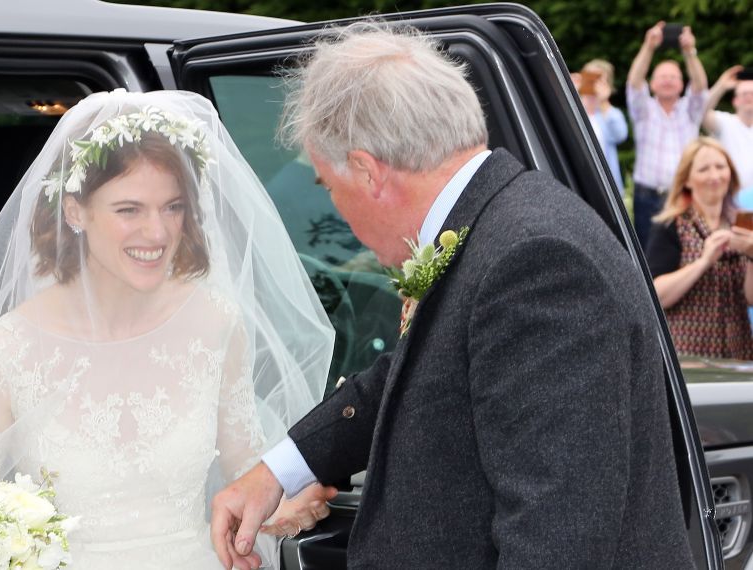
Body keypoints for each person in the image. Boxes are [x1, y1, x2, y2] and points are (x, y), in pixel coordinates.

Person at [211, 23, 694, 570]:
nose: (337, 211)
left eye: (328, 186)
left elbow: (557, 539)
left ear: (368, 170)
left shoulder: (535, 261)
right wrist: (277, 471)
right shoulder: (495, 224)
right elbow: (418, 368)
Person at [0, 89, 338, 569]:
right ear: (75, 211)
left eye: (172, 207)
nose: (157, 233)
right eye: (129, 210)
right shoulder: (6, 349)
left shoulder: (214, 323)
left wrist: (282, 502)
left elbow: (244, 471)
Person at [646, 137, 753, 359]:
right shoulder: (672, 225)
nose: (714, 176)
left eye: (720, 167)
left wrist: (751, 254)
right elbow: (656, 296)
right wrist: (703, 261)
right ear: (687, 180)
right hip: (688, 357)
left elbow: (751, 299)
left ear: (730, 173)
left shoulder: (744, 222)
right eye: (704, 169)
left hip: (739, 355)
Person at [626, 21, 708, 248]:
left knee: (688, 249)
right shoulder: (644, 111)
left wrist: (689, 52)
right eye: (662, 76)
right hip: (648, 196)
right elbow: (633, 83)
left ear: (682, 84)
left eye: (673, 76)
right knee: (648, 253)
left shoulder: (690, 111)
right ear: (652, 84)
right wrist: (648, 46)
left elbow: (701, 87)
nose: (668, 80)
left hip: (685, 194)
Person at [579, 59, 629, 194]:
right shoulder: (573, 110)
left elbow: (620, 136)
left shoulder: (611, 113)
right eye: (590, 78)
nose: (594, 84)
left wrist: (604, 103)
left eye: (599, 80)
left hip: (606, 187)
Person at [703, 65, 753, 190]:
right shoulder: (724, 122)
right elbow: (699, 112)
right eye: (744, 94)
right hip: (729, 197)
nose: (749, 97)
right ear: (735, 101)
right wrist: (721, 86)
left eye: (752, 93)